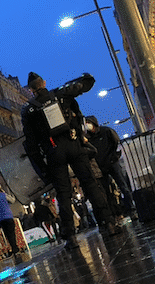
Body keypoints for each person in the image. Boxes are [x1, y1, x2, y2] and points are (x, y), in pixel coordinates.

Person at [22, 71, 121, 249]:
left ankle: (70, 236)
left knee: (63, 194)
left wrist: (43, 169)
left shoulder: (28, 110)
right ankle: (108, 222)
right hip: (73, 143)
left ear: (31, 90)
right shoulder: (60, 94)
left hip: (52, 151)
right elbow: (79, 106)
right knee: (90, 184)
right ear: (44, 83)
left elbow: (31, 143)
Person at [84, 116, 135, 219]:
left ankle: (132, 210)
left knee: (123, 186)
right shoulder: (88, 138)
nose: (87, 125)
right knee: (107, 192)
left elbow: (116, 143)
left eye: (88, 122)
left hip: (112, 163)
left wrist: (113, 157)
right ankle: (116, 213)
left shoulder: (106, 131)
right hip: (101, 166)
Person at [0, 182, 20, 256]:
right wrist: (5, 192)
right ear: (0, 188)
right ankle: (15, 248)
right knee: (12, 233)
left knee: (6, 234)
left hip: (0, 219)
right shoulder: (4, 195)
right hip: (8, 216)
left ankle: (13, 248)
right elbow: (12, 200)